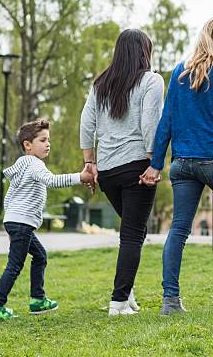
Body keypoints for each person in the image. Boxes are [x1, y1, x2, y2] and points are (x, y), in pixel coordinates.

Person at [139, 16, 213, 315]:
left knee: (179, 231)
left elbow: (166, 122)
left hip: (182, 164)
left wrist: (156, 164)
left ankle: (170, 300)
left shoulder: (179, 72)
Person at [80, 29, 164, 316]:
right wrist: (155, 163)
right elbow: (150, 123)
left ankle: (126, 295)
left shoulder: (100, 84)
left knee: (132, 234)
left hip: (108, 172)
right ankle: (117, 303)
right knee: (132, 235)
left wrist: (89, 163)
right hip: (137, 168)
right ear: (144, 52)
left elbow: (86, 123)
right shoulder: (150, 81)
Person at [0, 119, 94, 323]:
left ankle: (38, 299)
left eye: (48, 140)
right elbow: (52, 181)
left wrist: (9, 223)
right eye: (43, 140)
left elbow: (10, 197)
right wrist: (80, 177)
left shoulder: (22, 165)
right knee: (15, 265)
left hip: (16, 222)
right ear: (28, 145)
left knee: (40, 256)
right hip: (22, 224)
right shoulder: (34, 164)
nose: (48, 144)